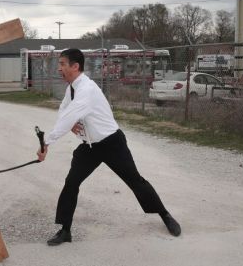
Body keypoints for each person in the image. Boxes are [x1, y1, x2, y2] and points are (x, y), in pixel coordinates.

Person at [37, 48, 181, 246]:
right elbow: (65, 112)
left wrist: (47, 142)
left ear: (75, 66)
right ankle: (65, 230)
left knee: (135, 181)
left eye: (62, 64)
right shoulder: (72, 88)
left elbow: (72, 114)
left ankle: (164, 214)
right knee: (71, 183)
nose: (59, 68)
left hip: (112, 143)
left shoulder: (86, 89)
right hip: (90, 147)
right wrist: (68, 126)